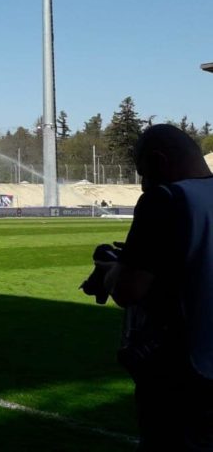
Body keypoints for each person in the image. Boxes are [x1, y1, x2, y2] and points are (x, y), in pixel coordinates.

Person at [102, 124, 213, 450]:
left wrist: (111, 270)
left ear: (158, 161)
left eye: (142, 172)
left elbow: (128, 290)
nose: (142, 184)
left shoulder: (165, 199)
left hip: (189, 371)